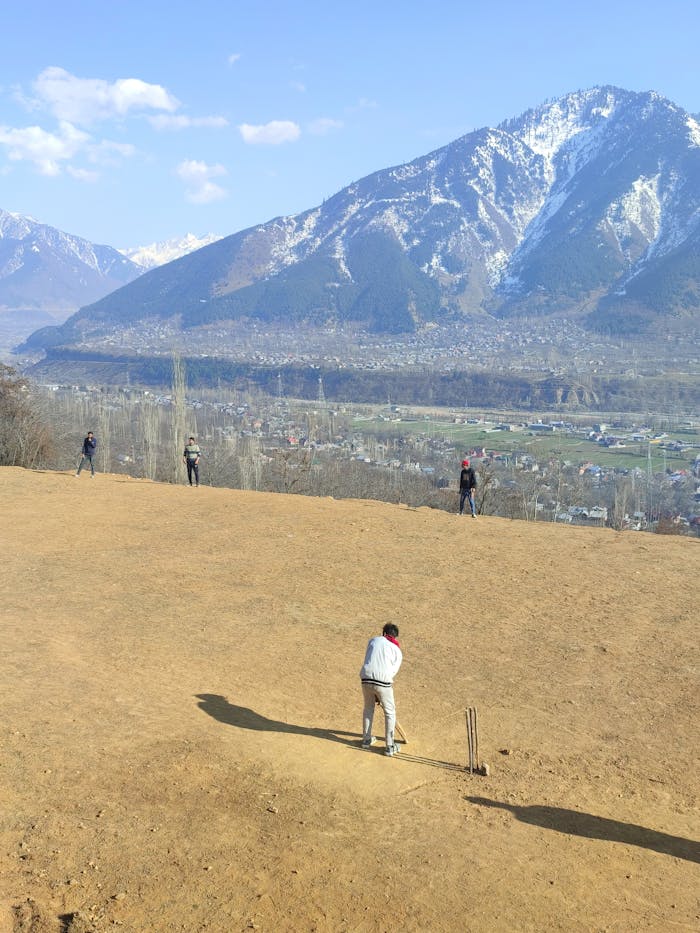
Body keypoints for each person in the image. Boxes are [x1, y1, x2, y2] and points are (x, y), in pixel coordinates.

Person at [360, 623, 403, 756]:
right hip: (383, 681)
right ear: (395, 636)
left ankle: (366, 740)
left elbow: (369, 658)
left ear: (383, 633)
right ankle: (389, 746)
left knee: (368, 708)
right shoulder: (397, 651)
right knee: (390, 712)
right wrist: (381, 691)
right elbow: (393, 671)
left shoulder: (373, 640)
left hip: (365, 678)